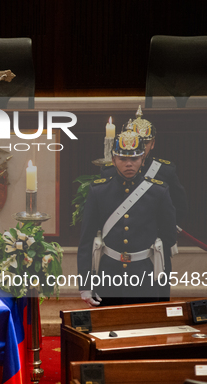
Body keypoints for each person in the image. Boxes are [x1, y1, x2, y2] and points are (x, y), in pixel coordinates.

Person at [78, 131, 177, 307]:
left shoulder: (158, 192)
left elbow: (168, 238)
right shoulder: (98, 191)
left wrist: (163, 285)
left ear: (143, 160)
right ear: (113, 159)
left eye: (135, 158)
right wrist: (85, 286)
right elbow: (86, 241)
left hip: (145, 276)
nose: (129, 164)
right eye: (123, 159)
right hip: (108, 275)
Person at [101, 106, 187, 301]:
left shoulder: (164, 170)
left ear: (152, 144)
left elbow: (179, 205)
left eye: (145, 142)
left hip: (153, 247)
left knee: (156, 299)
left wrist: (165, 233)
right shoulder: (111, 172)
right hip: (120, 251)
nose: (141, 145)